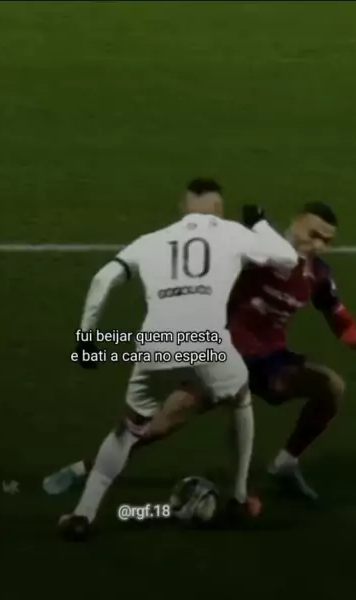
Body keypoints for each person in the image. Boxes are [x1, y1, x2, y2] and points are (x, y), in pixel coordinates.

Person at [45, 201, 356, 503]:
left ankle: (285, 464)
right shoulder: (256, 254)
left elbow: (336, 313)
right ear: (295, 224)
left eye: (327, 240)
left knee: (331, 387)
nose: (319, 244)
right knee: (157, 425)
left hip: (271, 362)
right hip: (220, 356)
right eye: (314, 234)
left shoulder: (318, 274)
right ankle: (83, 469)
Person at [57, 178, 298, 540]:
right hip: (207, 342)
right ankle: (238, 496)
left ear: (182, 208)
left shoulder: (149, 240)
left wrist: (87, 337)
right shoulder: (233, 232)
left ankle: (83, 515)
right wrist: (260, 223)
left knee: (129, 429)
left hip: (155, 343)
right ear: (219, 208)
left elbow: (102, 279)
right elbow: (288, 258)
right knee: (239, 398)